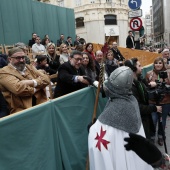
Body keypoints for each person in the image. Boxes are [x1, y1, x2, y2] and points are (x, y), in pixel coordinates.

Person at [88, 66, 153, 170]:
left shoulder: (110, 116)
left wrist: (92, 129)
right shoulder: (132, 101)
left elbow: (98, 144)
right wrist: (94, 82)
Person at [0, 47, 50, 114]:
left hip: (40, 103)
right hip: (21, 109)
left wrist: (30, 82)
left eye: (23, 57)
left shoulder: (29, 67)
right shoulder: (3, 72)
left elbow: (46, 79)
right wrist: (38, 87)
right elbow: (18, 89)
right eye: (18, 58)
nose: (21, 60)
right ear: (10, 59)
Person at [124, 58, 162, 140]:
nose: (142, 68)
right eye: (139, 66)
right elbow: (137, 107)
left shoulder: (139, 80)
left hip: (145, 119)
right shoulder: (130, 86)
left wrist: (151, 86)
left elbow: (145, 92)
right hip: (138, 122)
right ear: (133, 68)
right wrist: (154, 108)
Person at [145, 57, 170, 145]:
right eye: (156, 63)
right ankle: (151, 136)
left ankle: (161, 136)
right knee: (153, 120)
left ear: (163, 64)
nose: (158, 65)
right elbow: (145, 88)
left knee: (162, 121)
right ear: (154, 64)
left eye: (160, 63)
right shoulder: (149, 74)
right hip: (153, 102)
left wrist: (165, 84)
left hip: (165, 102)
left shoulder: (168, 73)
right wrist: (151, 85)